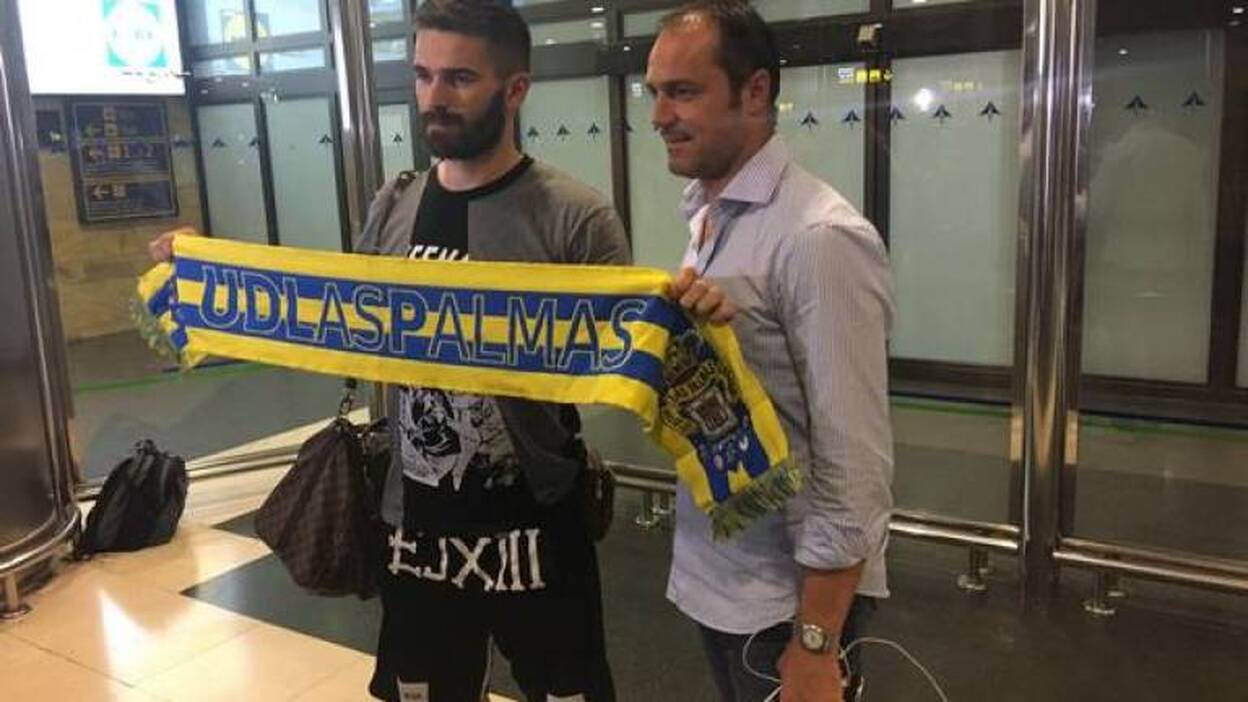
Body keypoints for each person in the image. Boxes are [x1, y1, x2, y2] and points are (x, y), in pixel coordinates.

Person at [152, 2, 629, 700]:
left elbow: (619, 359)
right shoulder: (396, 205)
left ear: (515, 90)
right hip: (416, 526)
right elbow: (339, 313)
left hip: (535, 526)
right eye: (423, 75)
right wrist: (211, 271)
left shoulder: (574, 217)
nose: (434, 97)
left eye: (460, 78)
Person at [649, 2, 896, 701]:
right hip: (724, 578)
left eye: (683, 91)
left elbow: (855, 463)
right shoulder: (708, 216)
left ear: (755, 91)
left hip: (788, 605)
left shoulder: (818, 238)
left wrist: (817, 641)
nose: (660, 115)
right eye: (655, 92)